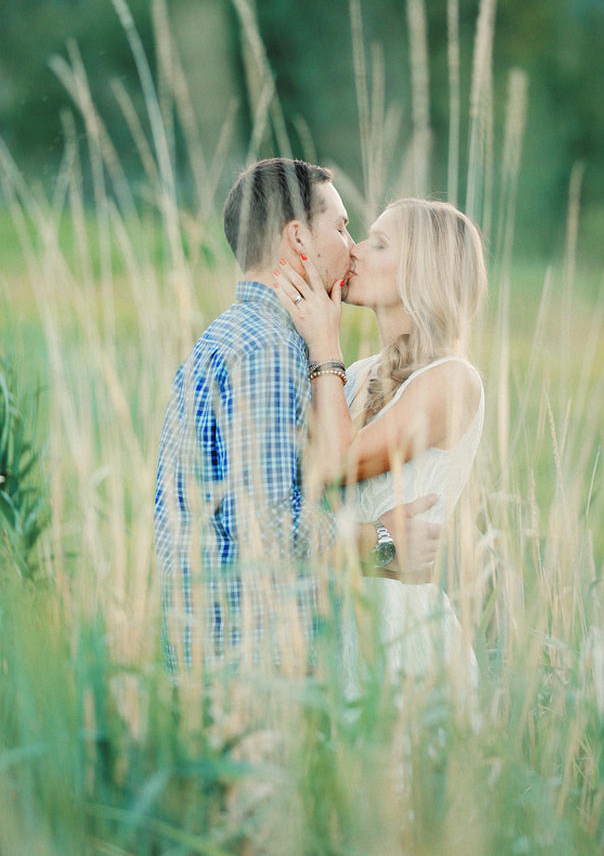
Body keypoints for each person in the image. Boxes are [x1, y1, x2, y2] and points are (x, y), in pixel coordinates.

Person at [154, 160, 442, 675]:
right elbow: (266, 524)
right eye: (341, 226)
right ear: (298, 238)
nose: (351, 246)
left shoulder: (228, 335)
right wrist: (380, 541)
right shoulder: (268, 348)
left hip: (213, 652)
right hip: (248, 664)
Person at [272, 197, 487, 685]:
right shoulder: (362, 374)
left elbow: (336, 461)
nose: (357, 252)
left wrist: (325, 344)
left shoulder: (453, 380)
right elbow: (298, 473)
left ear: (423, 272)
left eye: (380, 243)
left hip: (402, 639)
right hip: (335, 626)